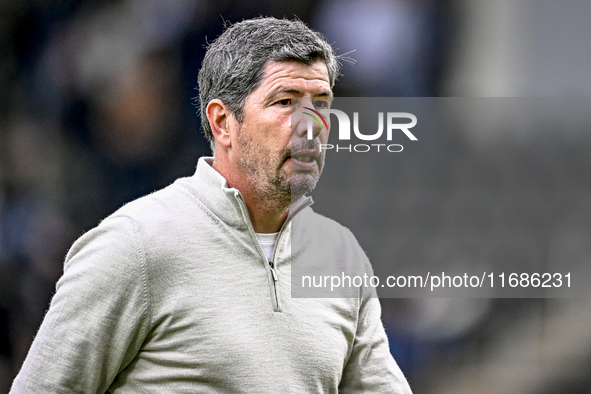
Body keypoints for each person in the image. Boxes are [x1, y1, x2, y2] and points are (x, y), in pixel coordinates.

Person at [11, 17, 412, 393]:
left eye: (321, 103)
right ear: (223, 122)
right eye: (286, 102)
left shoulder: (340, 256)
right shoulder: (134, 243)